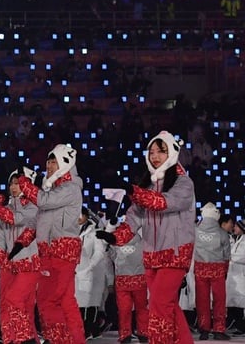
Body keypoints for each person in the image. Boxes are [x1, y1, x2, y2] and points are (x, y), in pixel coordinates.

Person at [98, 130, 196, 344]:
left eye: (161, 151)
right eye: (151, 152)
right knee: (168, 305)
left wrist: (133, 191)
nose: (155, 156)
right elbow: (134, 218)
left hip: (175, 252)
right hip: (152, 256)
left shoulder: (183, 183)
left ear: (172, 153)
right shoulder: (149, 186)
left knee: (159, 305)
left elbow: (162, 202)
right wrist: (115, 237)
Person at [17, 143, 85, 344]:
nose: (49, 165)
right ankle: (75, 340)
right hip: (50, 252)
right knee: (66, 302)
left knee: (48, 301)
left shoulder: (70, 188)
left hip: (61, 251)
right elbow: (41, 219)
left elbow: (44, 202)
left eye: (54, 161)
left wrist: (24, 181)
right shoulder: (53, 189)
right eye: (48, 161)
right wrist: (23, 241)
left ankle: (59, 340)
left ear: (66, 163)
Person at [0, 170, 39, 344]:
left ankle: (26, 339)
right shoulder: (6, 209)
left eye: (17, 183)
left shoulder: (34, 207)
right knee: (6, 305)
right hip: (9, 265)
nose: (14, 187)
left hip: (28, 263)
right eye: (11, 183)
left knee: (17, 301)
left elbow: (16, 219)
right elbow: (1, 239)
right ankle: (11, 339)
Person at [194, 203, 232, 340]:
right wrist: (225, 270)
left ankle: (204, 329)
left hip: (200, 268)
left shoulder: (194, 230)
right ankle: (218, 330)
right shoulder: (222, 233)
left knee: (202, 300)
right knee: (219, 300)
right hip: (218, 269)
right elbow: (227, 255)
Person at [108, 230, 148, 344]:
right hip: (136, 279)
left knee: (124, 310)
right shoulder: (143, 241)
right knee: (140, 309)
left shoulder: (117, 241)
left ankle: (126, 335)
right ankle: (142, 333)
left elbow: (112, 258)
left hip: (125, 279)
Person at [75, 208, 107, 340]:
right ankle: (82, 330)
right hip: (74, 272)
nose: (78, 217)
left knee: (89, 303)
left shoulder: (94, 232)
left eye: (81, 214)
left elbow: (99, 252)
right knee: (77, 304)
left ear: (87, 216)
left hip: (89, 273)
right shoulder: (70, 230)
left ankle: (88, 330)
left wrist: (89, 266)